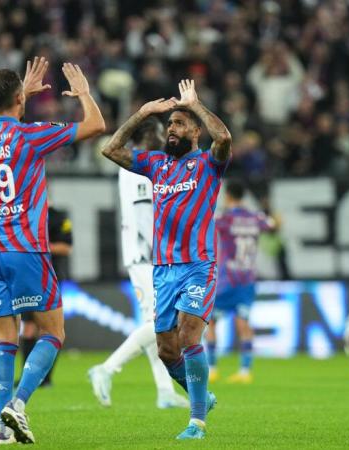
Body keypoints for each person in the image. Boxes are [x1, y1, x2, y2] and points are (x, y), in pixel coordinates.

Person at [0, 57, 104, 444]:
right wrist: (83, 93)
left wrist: (15, 96)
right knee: (54, 331)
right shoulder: (29, 135)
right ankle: (18, 404)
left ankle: (2, 427)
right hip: (25, 248)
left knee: (5, 338)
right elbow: (95, 125)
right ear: (19, 97)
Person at [101, 79, 232, 440]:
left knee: (190, 335)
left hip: (198, 265)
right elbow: (111, 149)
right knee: (165, 349)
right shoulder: (156, 164)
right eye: (169, 124)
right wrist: (143, 113)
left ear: (193, 130)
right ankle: (201, 396)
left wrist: (197, 104)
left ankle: (197, 421)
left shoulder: (208, 163)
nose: (171, 129)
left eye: (178, 124)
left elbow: (223, 139)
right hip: (163, 269)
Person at [88, 116, 189, 410]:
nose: (165, 135)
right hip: (146, 255)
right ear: (149, 135)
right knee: (161, 323)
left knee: (154, 322)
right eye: (161, 131)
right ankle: (107, 368)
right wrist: (164, 250)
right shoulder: (141, 168)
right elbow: (144, 213)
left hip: (140, 254)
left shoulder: (132, 165)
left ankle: (164, 391)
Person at [205, 181, 277, 384]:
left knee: (210, 322)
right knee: (243, 322)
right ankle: (245, 371)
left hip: (227, 279)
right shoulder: (255, 217)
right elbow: (273, 225)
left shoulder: (225, 217)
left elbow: (203, 223)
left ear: (227, 196)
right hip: (247, 279)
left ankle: (212, 369)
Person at [19, 205, 73, 388]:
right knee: (27, 328)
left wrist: (40, 247)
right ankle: (27, 376)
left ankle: (46, 377)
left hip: (52, 278)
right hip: (28, 277)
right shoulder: (24, 215)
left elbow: (66, 247)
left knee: (50, 329)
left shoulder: (58, 217)